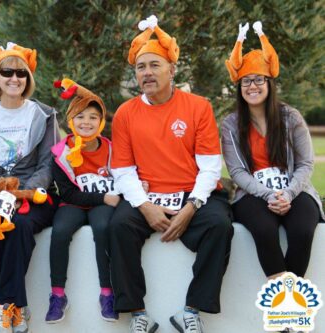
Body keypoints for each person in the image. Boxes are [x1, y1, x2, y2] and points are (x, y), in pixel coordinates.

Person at [109, 15, 233, 333]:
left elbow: (209, 168)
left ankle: (191, 311)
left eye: (155, 65)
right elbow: (122, 170)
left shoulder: (198, 107)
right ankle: (137, 313)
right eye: (141, 67)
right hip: (148, 195)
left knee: (220, 226)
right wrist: (146, 206)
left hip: (192, 194)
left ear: (171, 69)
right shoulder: (125, 113)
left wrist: (191, 208)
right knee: (120, 225)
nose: (147, 73)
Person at [222, 22, 324, 281]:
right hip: (253, 193)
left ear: (269, 83)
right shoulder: (231, 124)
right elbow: (236, 170)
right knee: (264, 230)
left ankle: (290, 302)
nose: (252, 86)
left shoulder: (291, 117)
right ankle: (281, 298)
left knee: (302, 229)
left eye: (258, 80)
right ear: (239, 86)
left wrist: (288, 193)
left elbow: (305, 164)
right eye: (246, 81)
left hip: (294, 189)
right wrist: (268, 194)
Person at [0, 41, 60, 333]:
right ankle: (15, 307)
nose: (14, 78)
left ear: (28, 79)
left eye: (20, 74)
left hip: (31, 194)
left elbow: (48, 165)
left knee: (19, 226)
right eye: (7, 72)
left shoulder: (44, 115)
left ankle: (4, 304)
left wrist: (22, 192)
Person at [45, 78, 120, 323]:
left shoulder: (112, 149)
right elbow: (67, 193)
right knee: (60, 231)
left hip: (102, 205)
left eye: (92, 117)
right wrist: (104, 197)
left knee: (103, 228)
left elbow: (123, 177)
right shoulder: (61, 153)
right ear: (70, 121)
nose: (86, 122)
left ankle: (107, 293)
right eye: (80, 116)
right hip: (76, 202)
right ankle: (57, 294)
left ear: (101, 122)